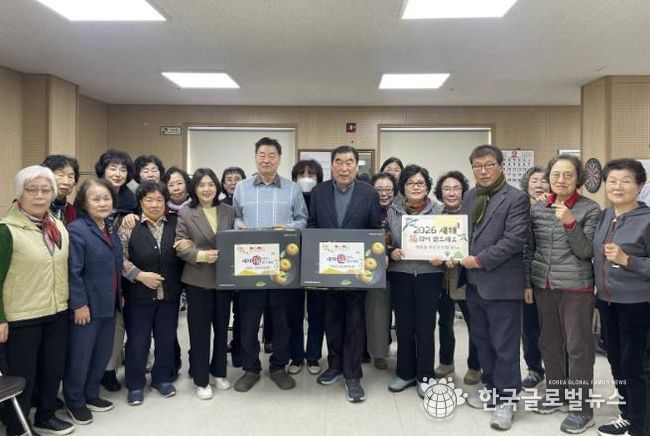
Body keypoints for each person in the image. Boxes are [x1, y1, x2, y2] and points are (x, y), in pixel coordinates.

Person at [524, 155, 601, 434]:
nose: (561, 180)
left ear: (578, 179)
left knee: (578, 348)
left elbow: (586, 251)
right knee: (549, 343)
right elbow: (529, 249)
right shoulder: (538, 209)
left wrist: (570, 222)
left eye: (568, 175)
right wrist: (528, 283)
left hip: (576, 287)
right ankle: (557, 394)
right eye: (556, 174)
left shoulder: (590, 209)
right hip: (544, 285)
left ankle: (582, 410)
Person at [459, 145, 529, 431]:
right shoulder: (470, 196)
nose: (483, 171)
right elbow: (462, 234)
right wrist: (450, 252)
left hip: (502, 285)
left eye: (489, 165)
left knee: (505, 345)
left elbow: (514, 240)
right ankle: (490, 387)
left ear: (501, 166)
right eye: (477, 166)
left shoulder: (516, 198)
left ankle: (507, 400)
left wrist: (479, 260)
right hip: (473, 285)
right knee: (483, 341)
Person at [0, 166, 73, 436]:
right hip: (22, 315)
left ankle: (46, 416)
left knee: (53, 370)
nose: (40, 196)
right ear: (20, 194)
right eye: (32, 190)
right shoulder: (7, 230)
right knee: (24, 375)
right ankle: (17, 427)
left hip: (57, 310)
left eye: (45, 190)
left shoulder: (57, 226)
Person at [232, 137, 308, 392]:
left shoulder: (292, 188)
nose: (266, 160)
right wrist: (239, 227)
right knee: (248, 322)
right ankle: (250, 368)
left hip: (282, 267)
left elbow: (303, 220)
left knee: (282, 321)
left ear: (279, 159)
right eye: (262, 155)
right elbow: (235, 218)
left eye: (272, 155)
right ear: (255, 157)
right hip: (250, 266)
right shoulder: (241, 188)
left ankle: (278, 367)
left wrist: (287, 227)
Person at [308, 145, 381, 403]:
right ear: (331, 165)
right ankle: (335, 365)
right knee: (332, 320)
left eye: (349, 162)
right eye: (338, 162)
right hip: (328, 270)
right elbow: (312, 226)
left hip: (357, 270)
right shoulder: (318, 192)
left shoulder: (368, 193)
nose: (344, 167)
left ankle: (353, 375)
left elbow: (374, 229)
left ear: (356, 165)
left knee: (354, 322)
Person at [593, 159, 650, 436]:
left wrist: (628, 260)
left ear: (639, 186)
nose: (618, 186)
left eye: (626, 181)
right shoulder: (606, 215)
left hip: (638, 304)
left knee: (636, 366)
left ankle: (641, 427)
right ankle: (628, 415)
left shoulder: (647, 219)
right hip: (607, 301)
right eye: (612, 181)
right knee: (616, 361)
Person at [64, 178, 123, 426]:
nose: (102, 203)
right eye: (96, 199)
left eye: (106, 198)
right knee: (80, 356)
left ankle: (91, 394)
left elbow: (116, 265)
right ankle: (74, 401)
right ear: (84, 203)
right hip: (87, 307)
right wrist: (79, 304)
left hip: (109, 304)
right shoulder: (77, 229)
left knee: (101, 354)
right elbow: (73, 271)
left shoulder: (109, 227)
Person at [120, 181, 184, 405]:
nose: (154, 204)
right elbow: (119, 257)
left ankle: (162, 379)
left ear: (166, 202)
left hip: (169, 295)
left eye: (159, 199)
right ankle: (135, 384)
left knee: (166, 339)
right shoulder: (129, 225)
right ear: (140, 202)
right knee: (138, 341)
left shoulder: (176, 223)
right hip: (138, 295)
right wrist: (139, 275)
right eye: (149, 200)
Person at [175, 168, 235, 400]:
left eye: (210, 184)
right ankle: (201, 380)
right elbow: (180, 244)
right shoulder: (186, 213)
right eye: (201, 185)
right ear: (194, 189)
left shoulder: (228, 210)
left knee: (222, 329)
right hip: (198, 279)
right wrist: (200, 255)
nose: (207, 189)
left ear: (217, 187)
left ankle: (219, 372)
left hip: (224, 280)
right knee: (199, 332)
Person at [386, 165, 446, 398]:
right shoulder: (392, 211)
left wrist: (442, 255)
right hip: (400, 274)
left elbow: (450, 243)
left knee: (425, 327)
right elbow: (385, 241)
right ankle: (405, 373)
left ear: (428, 187)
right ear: (403, 188)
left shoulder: (439, 211)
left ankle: (425, 376)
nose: (416, 187)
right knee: (403, 326)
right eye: (411, 183)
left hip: (429, 275)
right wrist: (391, 251)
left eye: (421, 183)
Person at [433, 171, 482, 385]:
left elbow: (478, 243)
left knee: (474, 324)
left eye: (456, 188)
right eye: (446, 189)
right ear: (440, 192)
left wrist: (460, 257)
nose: (451, 193)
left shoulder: (472, 215)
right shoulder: (434, 215)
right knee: (444, 322)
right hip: (441, 279)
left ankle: (475, 366)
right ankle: (446, 362)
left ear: (463, 192)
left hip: (465, 278)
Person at [95, 149, 137, 392]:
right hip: (97, 270)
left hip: (122, 270)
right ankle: (96, 370)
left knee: (117, 324)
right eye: (113, 168)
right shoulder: (91, 193)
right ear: (103, 170)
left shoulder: (131, 200)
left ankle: (109, 370)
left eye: (123, 169)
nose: (118, 173)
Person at [287, 160, 326, 375]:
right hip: (291, 262)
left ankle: (313, 356)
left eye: (311, 174)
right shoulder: (289, 197)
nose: (306, 178)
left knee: (317, 312)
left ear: (319, 178)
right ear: (294, 178)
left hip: (317, 262)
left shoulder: (324, 198)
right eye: (301, 174)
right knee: (293, 313)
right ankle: (296, 356)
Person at [518, 166, 550, 390]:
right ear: (526, 185)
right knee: (528, 328)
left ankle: (559, 370)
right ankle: (534, 368)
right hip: (524, 276)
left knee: (553, 329)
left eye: (543, 180)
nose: (539, 184)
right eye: (534, 180)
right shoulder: (519, 208)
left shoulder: (558, 207)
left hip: (552, 277)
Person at [366, 171, 397, 371]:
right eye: (379, 189)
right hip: (376, 269)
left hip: (400, 266)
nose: (384, 194)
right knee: (378, 312)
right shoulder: (367, 209)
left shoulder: (401, 210)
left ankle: (406, 352)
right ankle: (379, 353)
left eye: (388, 189)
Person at [42, 154, 80, 225]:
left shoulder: (71, 211)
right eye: (60, 175)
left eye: (70, 177)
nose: (66, 182)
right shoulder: (37, 205)